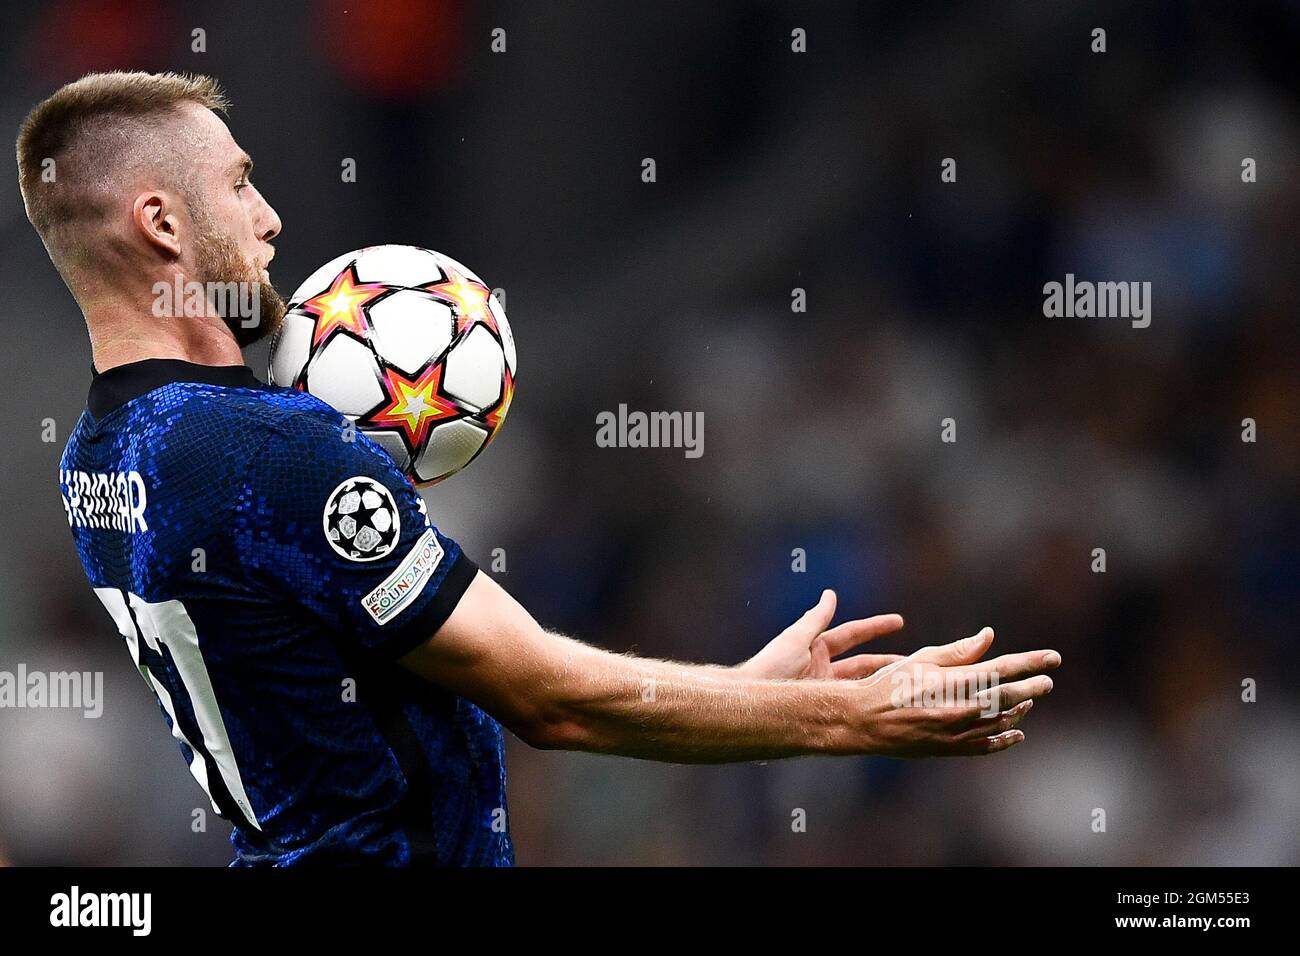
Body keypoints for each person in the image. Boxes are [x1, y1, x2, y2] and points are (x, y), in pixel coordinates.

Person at [17, 71, 1060, 866]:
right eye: (240, 185)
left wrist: (738, 695)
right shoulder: (268, 451)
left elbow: (434, 683)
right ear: (159, 222)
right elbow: (545, 698)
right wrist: (846, 719)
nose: (271, 218)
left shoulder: (100, 454)